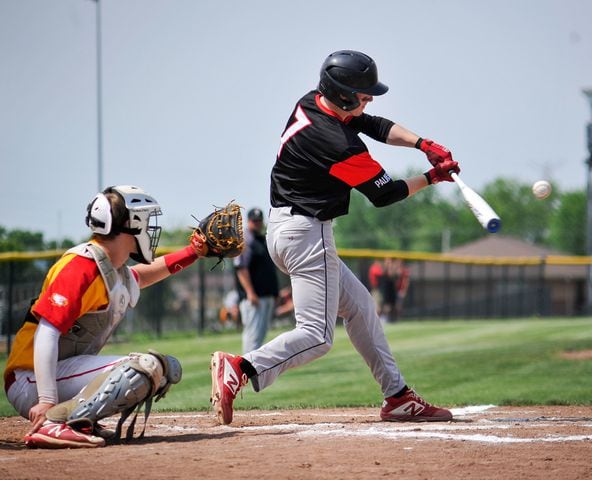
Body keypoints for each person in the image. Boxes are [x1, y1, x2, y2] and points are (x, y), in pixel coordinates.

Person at [210, 50, 458, 425]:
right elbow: (384, 194)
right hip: (307, 234)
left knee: (360, 307)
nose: (369, 99)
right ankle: (240, 368)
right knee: (316, 335)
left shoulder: (313, 101)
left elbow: (372, 124)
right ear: (342, 95)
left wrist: (423, 144)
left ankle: (397, 396)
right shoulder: (336, 143)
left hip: (288, 228)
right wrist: (432, 178)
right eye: (362, 94)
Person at [3, 185, 208, 448]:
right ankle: (52, 423)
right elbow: (47, 332)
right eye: (144, 220)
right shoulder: (81, 266)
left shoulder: (110, 267)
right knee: (144, 368)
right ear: (128, 224)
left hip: (56, 371)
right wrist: (46, 400)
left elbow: (143, 275)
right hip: (29, 378)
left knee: (164, 367)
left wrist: (193, 252)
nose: (149, 228)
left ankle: (78, 419)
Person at [234, 207, 279, 353]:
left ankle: (254, 370)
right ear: (248, 221)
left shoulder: (260, 239)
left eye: (259, 221)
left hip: (266, 295)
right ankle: (246, 369)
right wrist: (250, 292)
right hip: (254, 297)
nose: (257, 223)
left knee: (260, 337)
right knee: (252, 336)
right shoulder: (246, 240)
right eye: (254, 221)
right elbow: (241, 268)